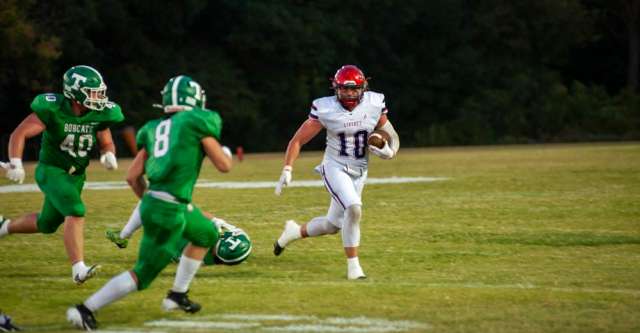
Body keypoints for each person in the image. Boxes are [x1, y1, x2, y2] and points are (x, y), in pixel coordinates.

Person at [67, 75, 232, 330]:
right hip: (170, 208)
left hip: (162, 202)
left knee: (206, 233)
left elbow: (132, 177)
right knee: (142, 275)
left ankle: (177, 295)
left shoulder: (153, 127)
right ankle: (85, 309)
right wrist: (223, 152)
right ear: (195, 99)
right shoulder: (197, 122)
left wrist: (151, 202)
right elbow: (224, 165)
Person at [273, 65, 400, 280]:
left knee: (332, 225)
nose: (350, 94)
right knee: (354, 208)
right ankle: (354, 268)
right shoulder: (325, 109)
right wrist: (287, 168)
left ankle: (293, 232)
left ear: (363, 87)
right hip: (335, 167)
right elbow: (298, 140)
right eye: (345, 90)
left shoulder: (374, 103)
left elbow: (392, 136)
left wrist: (388, 152)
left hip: (360, 171)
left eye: (354, 89)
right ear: (336, 88)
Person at [0, 65, 124, 284]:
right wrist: (16, 162)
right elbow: (20, 133)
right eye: (92, 93)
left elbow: (106, 141)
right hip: (52, 171)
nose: (99, 98)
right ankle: (78, 269)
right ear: (75, 93)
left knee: (47, 224)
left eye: (99, 92)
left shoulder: (99, 113)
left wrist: (108, 154)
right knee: (76, 211)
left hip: (76, 176)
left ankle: (4, 227)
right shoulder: (53, 108)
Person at [106, 202, 252, 266]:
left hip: (165, 236)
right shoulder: (209, 256)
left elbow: (194, 213)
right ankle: (123, 235)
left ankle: (123, 236)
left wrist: (214, 220)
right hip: (165, 243)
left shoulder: (206, 240)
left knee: (150, 199)